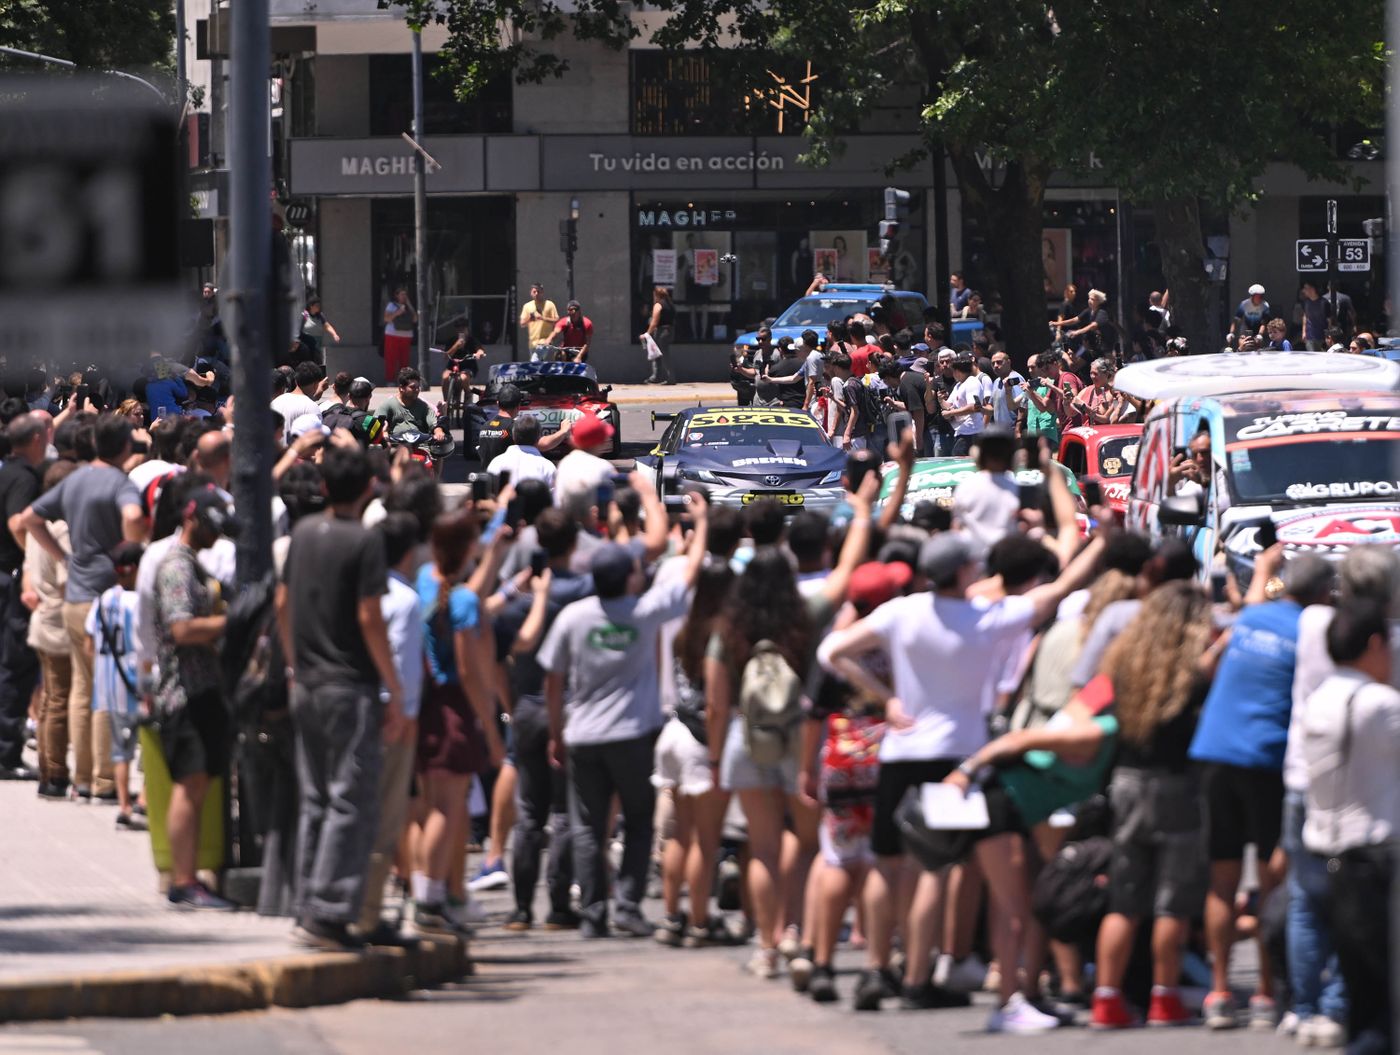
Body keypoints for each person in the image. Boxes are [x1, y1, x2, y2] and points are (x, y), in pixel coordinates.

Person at [817, 524, 1106, 1028]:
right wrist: (1103, 540)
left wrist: (884, 697)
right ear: (963, 571)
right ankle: (919, 976)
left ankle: (876, 967)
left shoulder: (902, 612)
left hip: (901, 751)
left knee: (887, 864)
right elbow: (1056, 592)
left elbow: (832, 652)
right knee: (939, 869)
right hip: (959, 759)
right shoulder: (985, 619)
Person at [707, 482, 875, 979]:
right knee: (804, 844)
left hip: (747, 736)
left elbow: (717, 703)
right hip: (800, 737)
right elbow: (844, 577)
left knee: (760, 847)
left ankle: (766, 944)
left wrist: (717, 757)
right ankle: (798, 936)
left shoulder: (728, 629)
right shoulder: (805, 615)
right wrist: (861, 513)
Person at [538, 494, 709, 939]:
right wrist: (703, 523)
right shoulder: (645, 612)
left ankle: (593, 911)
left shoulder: (573, 618)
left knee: (588, 827)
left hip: (584, 737)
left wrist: (556, 733)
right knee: (636, 820)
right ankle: (628, 906)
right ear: (630, 579)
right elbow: (689, 574)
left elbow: (553, 681)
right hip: (634, 736)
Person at [1190, 552, 1335, 1031]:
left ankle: (1219, 992)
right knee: (1274, 876)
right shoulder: (1311, 631)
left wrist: (1267, 566)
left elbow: (1216, 655)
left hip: (1214, 750)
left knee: (1222, 877)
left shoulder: (1253, 617)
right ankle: (1269, 994)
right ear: (1323, 595)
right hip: (1263, 760)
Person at [277, 445, 405, 951]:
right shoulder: (365, 542)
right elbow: (371, 618)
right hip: (348, 684)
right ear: (369, 488)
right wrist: (394, 687)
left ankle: (308, 903)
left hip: (306, 682)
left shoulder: (303, 534)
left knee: (315, 798)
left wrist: (293, 664)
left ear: (325, 487)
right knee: (350, 799)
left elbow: (282, 603)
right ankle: (328, 912)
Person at [1078, 582, 1214, 1029]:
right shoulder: (1192, 674)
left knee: (1124, 899)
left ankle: (1107, 995)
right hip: (1176, 786)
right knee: (1172, 901)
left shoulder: (1123, 663)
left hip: (1127, 782)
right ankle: (1164, 995)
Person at [21, 414, 146, 801]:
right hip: (106, 597)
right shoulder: (120, 483)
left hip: (76, 597)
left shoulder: (74, 478)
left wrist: (63, 557)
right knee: (107, 691)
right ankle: (106, 780)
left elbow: (30, 518)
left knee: (79, 690)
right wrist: (131, 554)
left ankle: (82, 778)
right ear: (124, 445)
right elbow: (134, 516)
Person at [1300, 602, 1399, 1055]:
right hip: (1374, 860)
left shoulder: (1317, 699)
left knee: (1360, 985)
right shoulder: (1379, 705)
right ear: (1375, 644)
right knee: (1381, 995)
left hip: (1326, 855)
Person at [412, 508, 505, 935]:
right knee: (449, 812)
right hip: (455, 706)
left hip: (426, 703)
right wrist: (488, 722)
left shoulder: (425, 584)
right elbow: (469, 670)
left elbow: (467, 594)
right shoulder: (461, 599)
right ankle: (430, 902)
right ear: (467, 549)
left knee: (435, 807)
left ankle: (442, 894)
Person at [496, 508, 589, 932]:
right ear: (574, 543)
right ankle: (558, 903)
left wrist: (510, 704)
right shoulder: (584, 595)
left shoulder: (518, 605)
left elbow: (498, 655)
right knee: (567, 812)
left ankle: (519, 908)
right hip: (572, 708)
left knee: (530, 814)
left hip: (528, 709)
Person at [153, 486, 238, 910]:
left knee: (198, 785)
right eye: (210, 526)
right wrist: (229, 623)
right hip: (183, 693)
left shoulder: (193, 565)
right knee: (189, 788)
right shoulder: (176, 568)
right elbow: (181, 629)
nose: (215, 536)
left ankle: (189, 879)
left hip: (202, 689)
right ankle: (184, 883)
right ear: (191, 519)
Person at [354, 512, 424, 944]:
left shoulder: (361, 592)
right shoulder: (405, 599)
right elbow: (400, 661)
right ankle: (367, 915)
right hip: (392, 716)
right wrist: (402, 709)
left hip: (359, 708)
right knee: (384, 819)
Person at [86, 541, 146, 831]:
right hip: (137, 684)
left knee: (121, 750)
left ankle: (123, 805)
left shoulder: (102, 600)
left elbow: (89, 643)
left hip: (109, 685)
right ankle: (145, 799)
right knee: (150, 743)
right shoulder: (139, 602)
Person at [25, 460, 76, 798]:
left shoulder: (38, 526)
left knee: (48, 700)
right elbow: (67, 579)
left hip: (42, 617)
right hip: (59, 620)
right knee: (59, 699)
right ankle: (55, 773)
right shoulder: (62, 530)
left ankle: (48, 766)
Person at [0, 414, 47, 779]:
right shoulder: (25, 478)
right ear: (34, 439)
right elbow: (19, 523)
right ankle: (6, 756)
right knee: (16, 667)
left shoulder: (5, 471)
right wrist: (36, 555)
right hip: (11, 580)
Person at [374, 368, 450, 446]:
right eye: (413, 387)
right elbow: (376, 423)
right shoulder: (388, 404)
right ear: (401, 388)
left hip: (421, 447)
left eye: (418, 387)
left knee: (439, 454)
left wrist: (439, 432)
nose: (417, 390)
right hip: (397, 447)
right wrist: (384, 432)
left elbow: (434, 424)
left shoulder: (424, 407)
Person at [486, 413, 557, 488]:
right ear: (539, 437)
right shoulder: (547, 467)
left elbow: (488, 495)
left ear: (513, 436)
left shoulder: (496, 463)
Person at [940, 355, 985, 457]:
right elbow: (948, 405)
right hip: (961, 430)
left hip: (972, 430)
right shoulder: (958, 385)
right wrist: (941, 400)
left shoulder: (972, 382)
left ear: (957, 371)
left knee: (960, 456)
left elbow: (973, 407)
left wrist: (951, 413)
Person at [271, 362, 325, 446]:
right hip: (297, 457)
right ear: (316, 384)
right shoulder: (312, 407)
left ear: (296, 381)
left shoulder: (276, 401)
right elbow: (317, 441)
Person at [441, 317, 486, 398]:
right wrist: (456, 346)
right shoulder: (452, 340)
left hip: (468, 366)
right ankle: (445, 401)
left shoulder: (472, 340)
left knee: (464, 378)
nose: (461, 331)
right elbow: (446, 356)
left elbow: (479, 349)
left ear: (467, 329)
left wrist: (479, 353)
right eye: (458, 329)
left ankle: (468, 393)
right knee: (445, 377)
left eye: (463, 328)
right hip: (453, 365)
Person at [643, 285, 676, 385]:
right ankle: (656, 376)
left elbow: (654, 322)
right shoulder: (670, 304)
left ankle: (671, 378)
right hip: (670, 331)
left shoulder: (658, 305)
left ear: (656, 295)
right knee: (658, 354)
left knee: (664, 355)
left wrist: (647, 333)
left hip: (662, 332)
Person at [383, 287, 417, 381]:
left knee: (404, 360)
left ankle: (404, 380)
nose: (404, 296)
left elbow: (415, 319)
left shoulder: (409, 306)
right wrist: (398, 312)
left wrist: (409, 304)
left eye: (405, 294)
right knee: (391, 359)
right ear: (396, 296)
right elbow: (386, 319)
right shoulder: (391, 305)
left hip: (406, 336)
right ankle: (390, 380)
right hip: (392, 335)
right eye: (401, 294)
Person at [986, 350, 1025, 430]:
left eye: (999, 362)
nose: (995, 366)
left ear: (1008, 362)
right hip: (1000, 431)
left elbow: (1023, 406)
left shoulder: (1015, 379)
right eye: (993, 363)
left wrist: (1018, 429)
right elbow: (992, 407)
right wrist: (981, 409)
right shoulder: (996, 381)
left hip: (1012, 429)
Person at [298, 295, 341, 364]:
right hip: (306, 344)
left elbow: (327, 326)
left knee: (318, 362)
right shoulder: (304, 315)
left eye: (319, 305)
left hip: (317, 345)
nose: (319, 307)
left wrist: (334, 334)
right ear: (311, 306)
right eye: (317, 305)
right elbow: (298, 330)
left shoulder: (320, 316)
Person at [518, 283, 559, 354]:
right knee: (537, 364)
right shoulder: (527, 306)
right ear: (531, 293)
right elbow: (522, 324)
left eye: (538, 292)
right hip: (532, 343)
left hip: (545, 342)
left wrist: (542, 318)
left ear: (542, 292)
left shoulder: (549, 304)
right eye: (534, 292)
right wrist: (530, 319)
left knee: (535, 361)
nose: (536, 294)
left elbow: (556, 320)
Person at [1297, 282, 1331, 351]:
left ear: (1312, 289)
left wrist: (1329, 335)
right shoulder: (1306, 302)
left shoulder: (1324, 302)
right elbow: (1305, 317)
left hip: (1322, 336)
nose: (1303, 291)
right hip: (1309, 336)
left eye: (1306, 288)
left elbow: (1329, 320)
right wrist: (1304, 332)